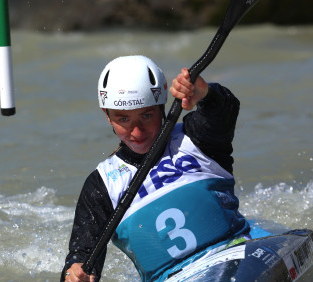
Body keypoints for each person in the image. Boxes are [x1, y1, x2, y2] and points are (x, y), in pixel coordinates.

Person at [61, 55, 250, 282]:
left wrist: (206, 93)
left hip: (236, 254)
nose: (137, 132)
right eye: (123, 119)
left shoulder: (197, 138)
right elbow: (81, 257)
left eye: (147, 115)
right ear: (107, 116)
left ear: (162, 107)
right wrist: (74, 273)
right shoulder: (101, 186)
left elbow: (224, 110)